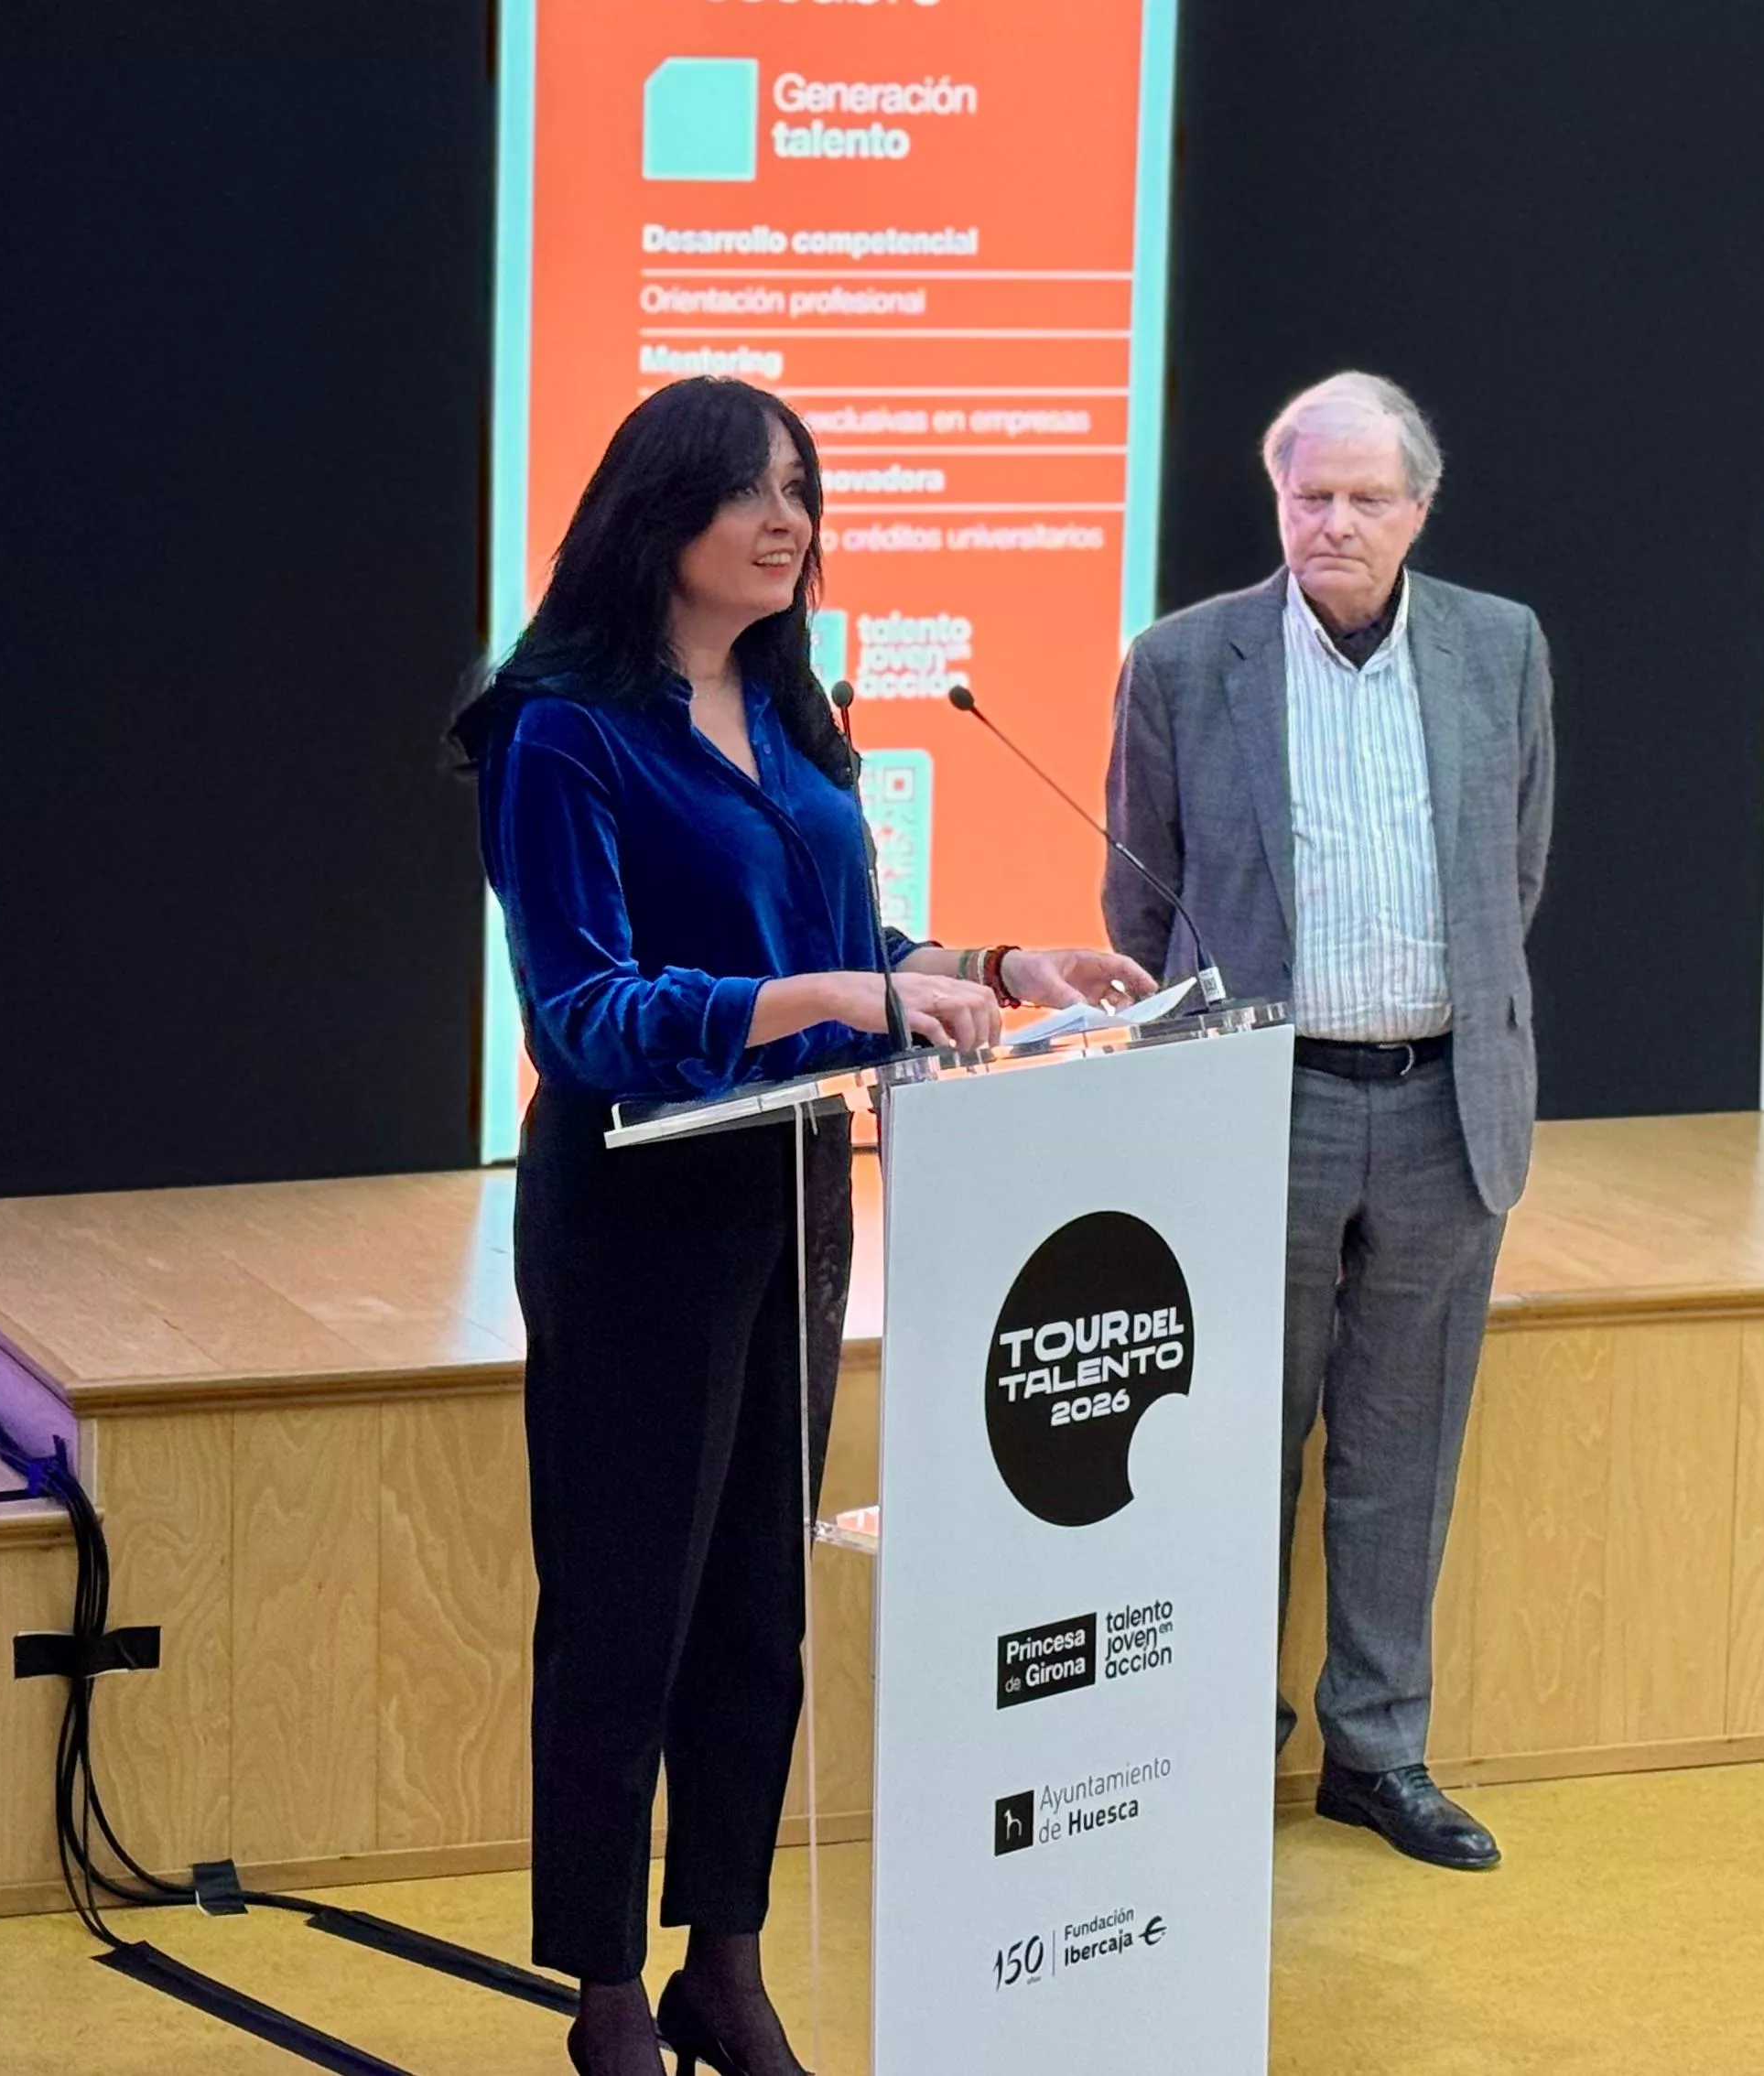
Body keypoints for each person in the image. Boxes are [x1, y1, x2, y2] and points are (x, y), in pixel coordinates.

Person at [457, 376, 1153, 2076]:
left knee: (757, 1601)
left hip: (787, 1199)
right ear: (658, 511)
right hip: (634, 1215)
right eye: (754, 492)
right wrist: (828, 990)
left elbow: (848, 943)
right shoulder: (559, 730)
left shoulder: (787, 707)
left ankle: (726, 1958)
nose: (790, 521)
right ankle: (604, 1989)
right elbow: (587, 1015)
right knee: (628, 1603)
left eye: (803, 492)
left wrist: (991, 970)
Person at [1100, 371, 1555, 1872]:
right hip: (1262, 1105)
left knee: (1402, 1445)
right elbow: (1142, 899)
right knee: (1240, 1446)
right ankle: (1223, 1752)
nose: (1336, 524)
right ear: (1276, 502)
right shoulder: (1180, 663)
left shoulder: (1502, 649)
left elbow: (1517, 876)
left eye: (1368, 498)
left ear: (1420, 509)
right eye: (1312, 497)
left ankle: (1379, 1751)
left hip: (1443, 1105)